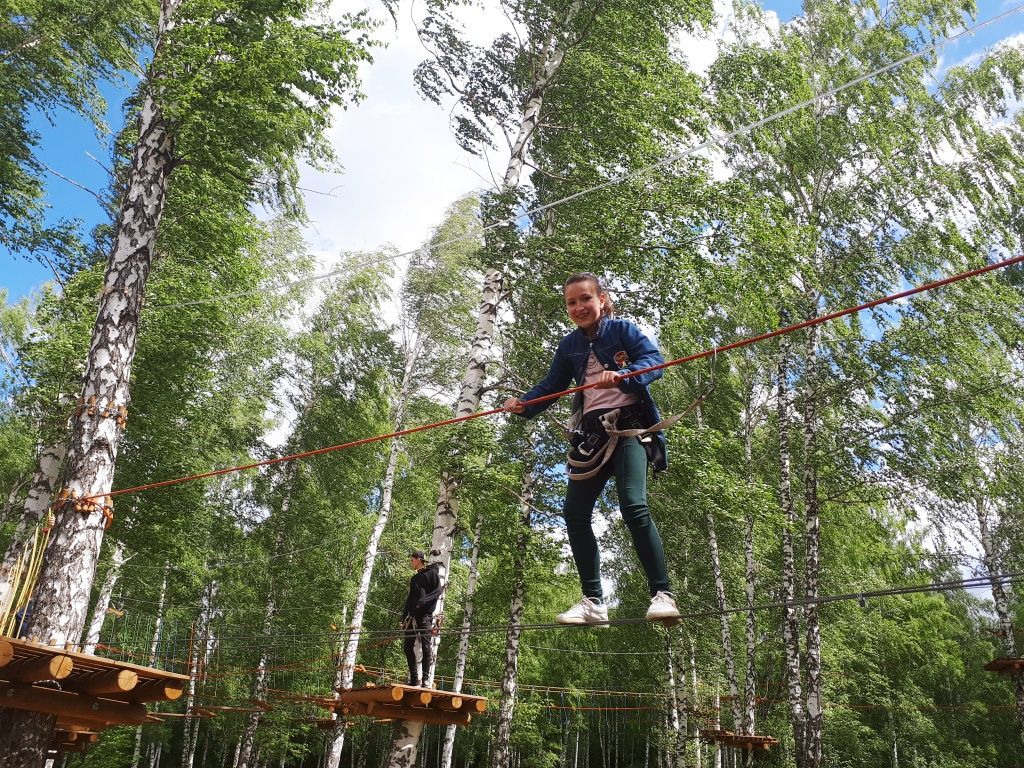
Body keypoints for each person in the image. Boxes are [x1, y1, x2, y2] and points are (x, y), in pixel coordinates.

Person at [504, 272, 680, 625]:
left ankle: (662, 593)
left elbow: (654, 361)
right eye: (572, 302)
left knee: (633, 504)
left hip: (628, 427)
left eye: (586, 299)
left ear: (602, 299)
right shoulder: (569, 345)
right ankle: (593, 602)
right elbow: (552, 384)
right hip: (591, 435)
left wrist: (625, 373)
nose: (579, 307)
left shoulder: (622, 331)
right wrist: (525, 404)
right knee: (574, 512)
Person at [400, 549, 443, 686]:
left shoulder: (432, 574)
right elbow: (410, 599)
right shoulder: (414, 578)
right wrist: (403, 616)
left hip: (425, 616)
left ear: (418, 559)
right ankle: (414, 678)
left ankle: (425, 679)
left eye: (412, 560)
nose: (411, 563)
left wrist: (423, 601)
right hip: (413, 616)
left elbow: (438, 591)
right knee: (407, 647)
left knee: (426, 647)